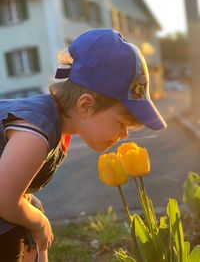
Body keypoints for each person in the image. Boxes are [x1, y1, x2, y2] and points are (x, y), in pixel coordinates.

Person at [0, 29, 167, 261]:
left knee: (29, 213)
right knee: (20, 224)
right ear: (85, 105)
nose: (124, 134)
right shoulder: (35, 133)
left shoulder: (57, 127)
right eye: (121, 123)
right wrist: (38, 224)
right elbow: (5, 200)